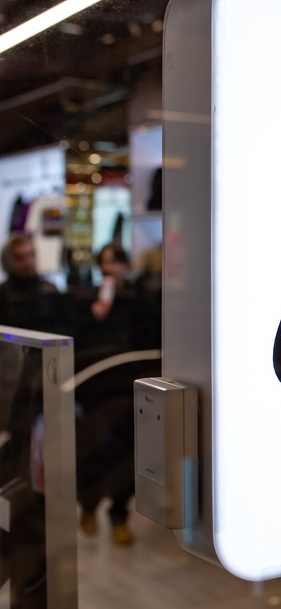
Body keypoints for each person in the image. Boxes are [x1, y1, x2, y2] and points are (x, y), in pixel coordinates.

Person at [75, 243, 157, 547]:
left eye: (115, 262)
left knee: (129, 455)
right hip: (97, 391)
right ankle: (89, 503)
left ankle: (119, 515)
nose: (109, 269)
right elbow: (79, 344)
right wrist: (96, 316)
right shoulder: (87, 301)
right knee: (97, 451)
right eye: (104, 263)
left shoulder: (140, 301)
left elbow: (150, 338)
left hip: (129, 389)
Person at [0, 233, 63, 333]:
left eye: (30, 255)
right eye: (19, 258)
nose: (27, 262)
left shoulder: (49, 289)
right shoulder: (3, 294)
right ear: (8, 260)